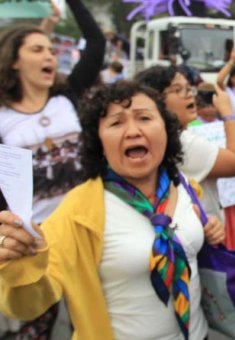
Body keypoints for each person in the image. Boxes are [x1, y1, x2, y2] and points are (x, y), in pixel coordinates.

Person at [0, 81, 225, 339]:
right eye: (116, 123)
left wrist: (210, 230)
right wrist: (20, 264)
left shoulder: (186, 186)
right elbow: (28, 305)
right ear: (99, 141)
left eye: (144, 117)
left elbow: (190, 244)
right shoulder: (78, 211)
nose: (132, 131)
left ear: (165, 128)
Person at [0, 0, 105, 336]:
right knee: (34, 323)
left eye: (50, 49)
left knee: (90, 315)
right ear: (15, 61)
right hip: (35, 240)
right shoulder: (3, 116)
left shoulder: (69, 96)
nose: (49, 56)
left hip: (85, 226)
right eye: (37, 50)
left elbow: (97, 42)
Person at [134, 66, 235, 222]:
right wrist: (227, 113)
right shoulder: (184, 142)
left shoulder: (159, 137)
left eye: (189, 88)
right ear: (155, 100)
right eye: (177, 89)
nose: (188, 94)